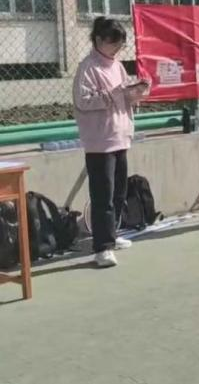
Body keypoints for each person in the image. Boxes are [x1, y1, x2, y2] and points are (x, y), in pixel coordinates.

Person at [73, 17, 148, 268]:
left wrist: (136, 93)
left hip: (119, 137)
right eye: (112, 43)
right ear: (98, 40)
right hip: (100, 141)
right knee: (102, 195)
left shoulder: (117, 66)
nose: (116, 48)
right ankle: (102, 247)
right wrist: (115, 94)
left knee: (118, 192)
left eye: (120, 44)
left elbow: (123, 96)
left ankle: (111, 235)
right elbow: (83, 101)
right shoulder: (88, 67)